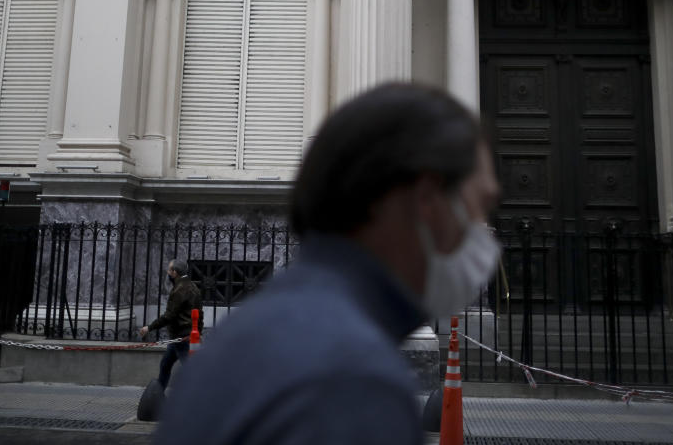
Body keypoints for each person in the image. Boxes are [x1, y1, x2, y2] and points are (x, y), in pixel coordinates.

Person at [156, 83, 501, 445]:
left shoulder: (263, 328)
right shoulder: (354, 378)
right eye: (478, 205)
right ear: (426, 201)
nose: (483, 233)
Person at [140, 258, 203, 390]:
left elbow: (169, 316)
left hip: (182, 337)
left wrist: (149, 327)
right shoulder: (193, 286)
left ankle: (198, 399)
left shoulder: (179, 290)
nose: (167, 272)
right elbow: (199, 313)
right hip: (182, 337)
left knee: (191, 371)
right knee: (165, 365)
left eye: (169, 270)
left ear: (174, 272)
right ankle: (158, 396)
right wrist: (198, 332)